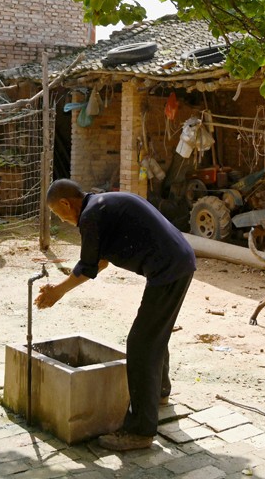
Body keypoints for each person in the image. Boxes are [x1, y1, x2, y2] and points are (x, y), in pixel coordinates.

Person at [35, 179, 196, 451]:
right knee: (154, 333)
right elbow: (99, 261)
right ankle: (158, 394)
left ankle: (140, 431)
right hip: (177, 262)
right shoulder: (100, 205)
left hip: (168, 270)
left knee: (140, 343)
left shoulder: (91, 215)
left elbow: (88, 268)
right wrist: (61, 287)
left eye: (58, 214)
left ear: (66, 203)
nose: (61, 221)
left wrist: (58, 292)